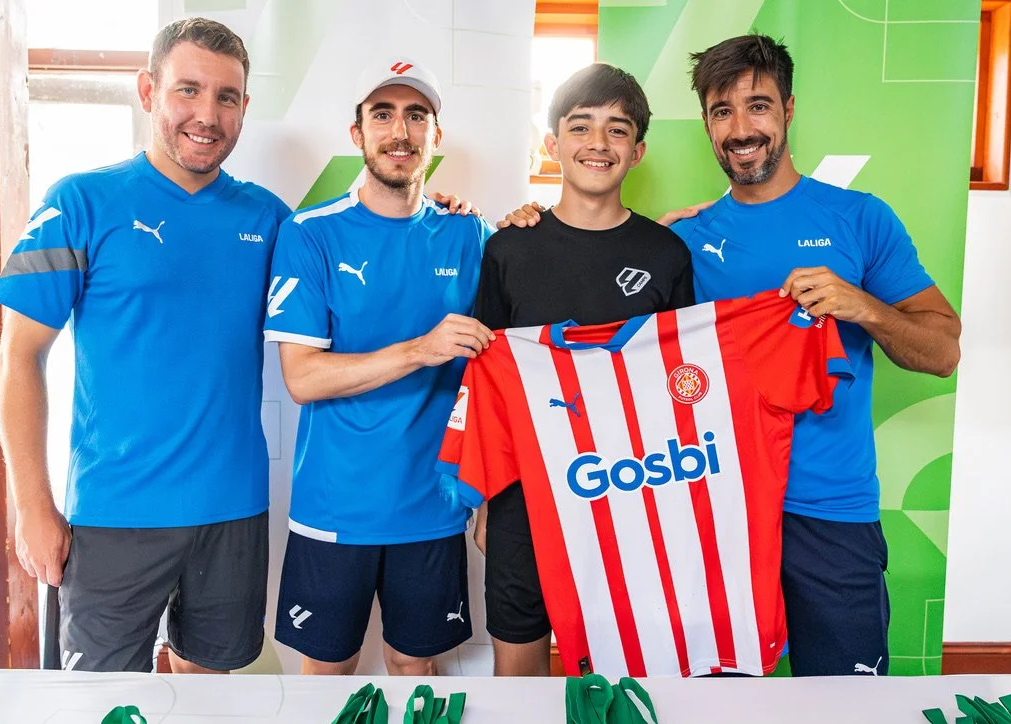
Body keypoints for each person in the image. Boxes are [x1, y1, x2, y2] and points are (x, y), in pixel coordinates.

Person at [502, 34, 961, 677]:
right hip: (712, 513)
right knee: (711, 701)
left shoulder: (860, 219)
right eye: (723, 112)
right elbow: (621, 361)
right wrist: (531, 225)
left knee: (844, 703)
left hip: (829, 511)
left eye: (758, 106)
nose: (741, 129)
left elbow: (943, 351)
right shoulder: (681, 244)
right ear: (707, 125)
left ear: (788, 110)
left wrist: (863, 307)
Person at [0, 18, 291, 673]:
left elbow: (351, 278)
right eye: (188, 90)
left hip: (233, 510)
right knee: (99, 701)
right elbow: (19, 357)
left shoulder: (270, 219)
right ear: (148, 90)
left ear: (244, 107)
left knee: (208, 694)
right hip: (112, 513)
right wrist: (32, 505)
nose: (207, 114)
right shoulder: (80, 202)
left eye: (226, 97)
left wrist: (435, 212)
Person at [263, 59, 493, 676]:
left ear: (435, 135)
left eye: (416, 116)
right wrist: (421, 349)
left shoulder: (469, 233)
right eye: (382, 115)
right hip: (334, 507)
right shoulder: (310, 234)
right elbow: (303, 377)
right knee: (327, 676)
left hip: (434, 505)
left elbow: (508, 359)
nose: (400, 131)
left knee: (414, 670)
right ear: (357, 133)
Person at [471, 63, 695, 677]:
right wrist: (486, 500)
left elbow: (680, 386)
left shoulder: (666, 254)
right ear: (552, 144)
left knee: (624, 673)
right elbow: (490, 382)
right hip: (524, 494)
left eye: (617, 129)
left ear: (638, 151)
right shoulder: (508, 248)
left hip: (629, 492)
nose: (598, 142)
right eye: (580, 126)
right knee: (518, 673)